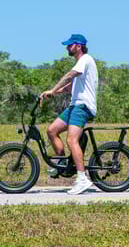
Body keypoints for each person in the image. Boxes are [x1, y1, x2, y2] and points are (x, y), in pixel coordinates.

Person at [40, 34, 98, 195]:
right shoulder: (81, 63)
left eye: (70, 45)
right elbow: (70, 87)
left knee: (72, 140)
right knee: (52, 130)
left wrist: (53, 89)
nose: (67, 47)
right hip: (74, 106)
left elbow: (69, 76)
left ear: (78, 46)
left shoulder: (85, 59)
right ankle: (61, 165)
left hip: (83, 106)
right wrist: (53, 93)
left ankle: (82, 178)